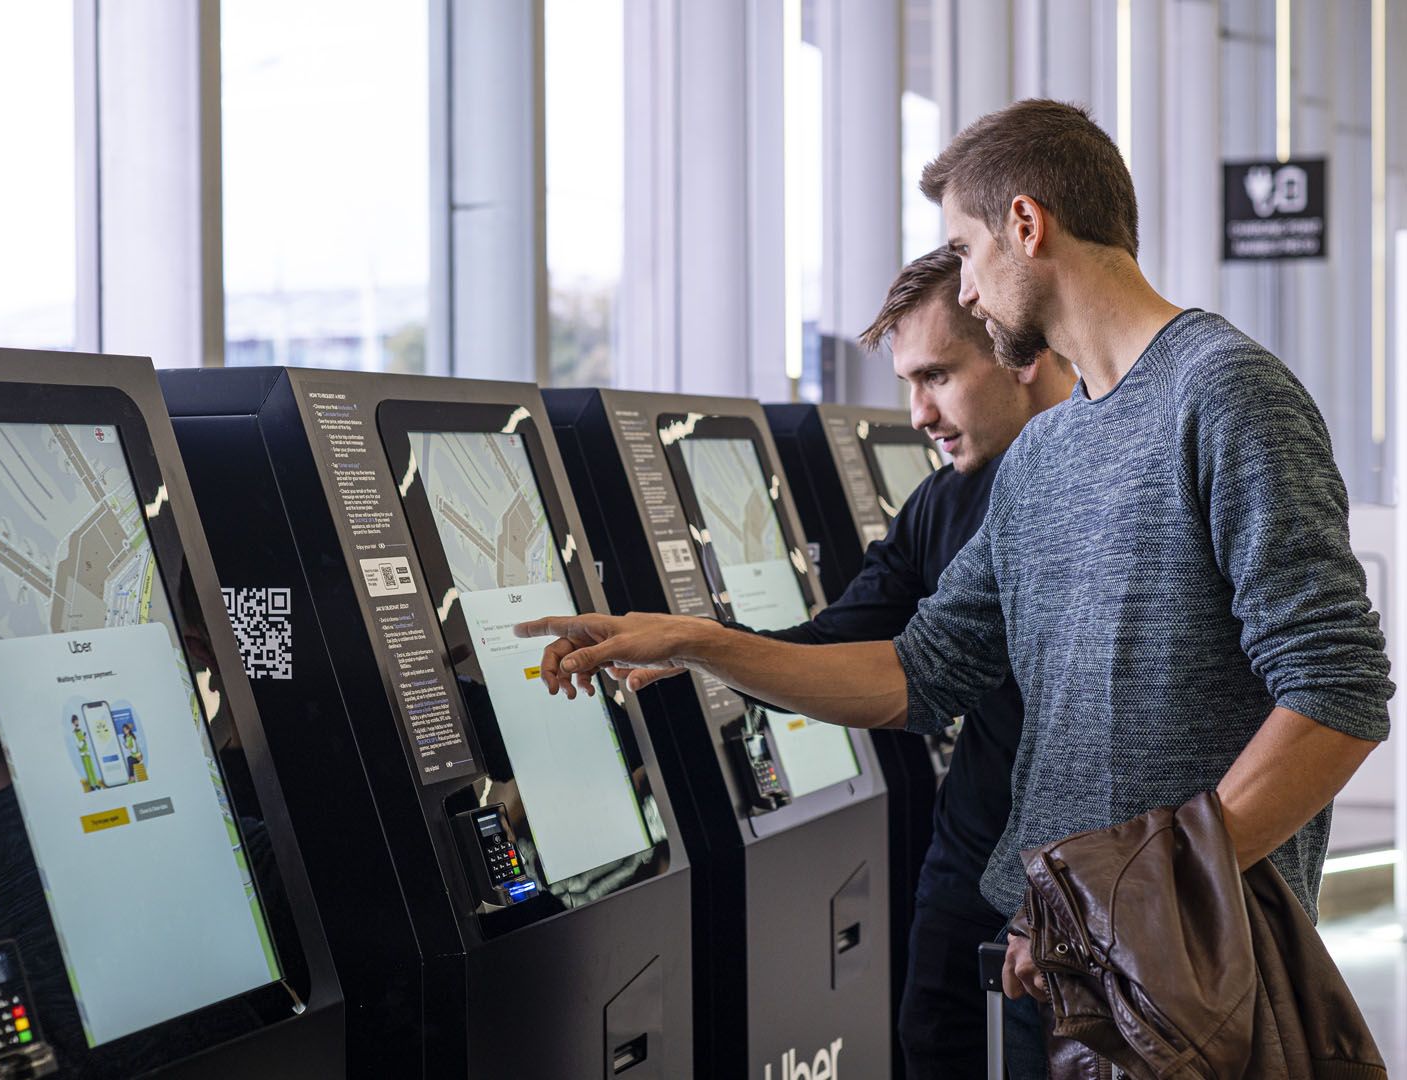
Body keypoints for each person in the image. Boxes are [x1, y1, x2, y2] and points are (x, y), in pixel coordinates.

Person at [517, 100, 1391, 1077]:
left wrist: (1138, 899)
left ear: (1028, 224)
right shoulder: (1042, 456)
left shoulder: (1227, 394)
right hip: (1051, 964)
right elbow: (917, 673)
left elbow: (1336, 694)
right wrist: (696, 644)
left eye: (964, 249)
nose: (967, 288)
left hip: (1191, 984)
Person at [749, 246, 1075, 1078]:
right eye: (905, 383)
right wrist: (689, 650)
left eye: (935, 375)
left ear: (1022, 354)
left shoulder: (1111, 493)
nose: (918, 413)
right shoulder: (942, 499)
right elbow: (842, 646)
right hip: (967, 869)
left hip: (1087, 882)